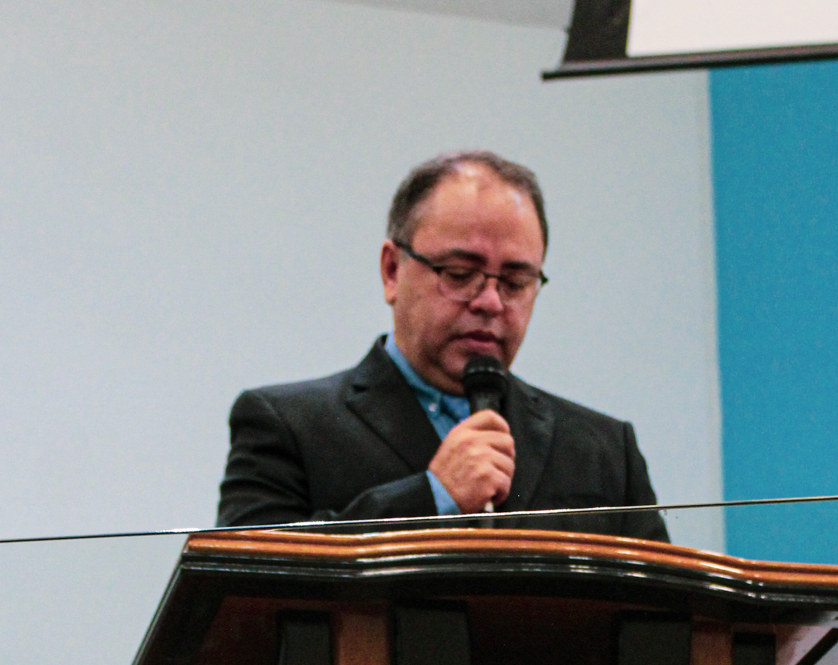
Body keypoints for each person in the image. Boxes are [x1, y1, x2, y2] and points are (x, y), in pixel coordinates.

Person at [217, 151, 668, 539]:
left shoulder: (605, 451)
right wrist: (433, 496)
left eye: (515, 281)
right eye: (459, 274)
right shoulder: (286, 426)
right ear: (392, 271)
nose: (490, 302)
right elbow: (250, 579)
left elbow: (667, 609)